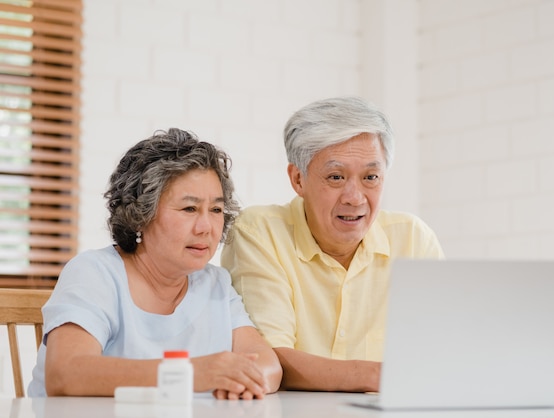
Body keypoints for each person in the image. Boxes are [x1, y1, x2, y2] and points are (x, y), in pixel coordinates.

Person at [27, 128, 282, 399]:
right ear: (141, 214)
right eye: (189, 209)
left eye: (216, 210)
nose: (207, 227)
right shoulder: (94, 273)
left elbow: (267, 365)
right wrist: (190, 374)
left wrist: (245, 382)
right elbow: (65, 374)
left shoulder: (216, 283)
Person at [220, 96, 445, 393]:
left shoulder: (413, 238)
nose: (355, 197)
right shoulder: (260, 231)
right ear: (298, 179)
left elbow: (442, 349)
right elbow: (268, 359)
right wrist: (378, 377)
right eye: (336, 177)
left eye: (371, 177)